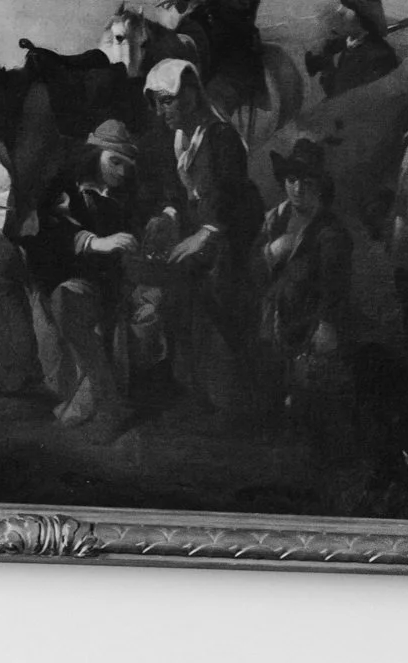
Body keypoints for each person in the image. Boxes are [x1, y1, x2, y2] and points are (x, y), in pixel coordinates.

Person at [141, 57, 265, 425]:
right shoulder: (176, 137)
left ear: (192, 94)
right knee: (167, 283)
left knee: (217, 296)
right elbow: (177, 192)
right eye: (157, 102)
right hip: (201, 232)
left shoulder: (221, 136)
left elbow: (228, 197)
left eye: (168, 100)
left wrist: (206, 234)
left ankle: (232, 398)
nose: (162, 110)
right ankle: (185, 383)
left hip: (234, 235)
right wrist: (168, 214)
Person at [21, 120, 146, 441]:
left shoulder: (123, 202)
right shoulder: (72, 192)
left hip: (109, 286)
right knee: (62, 300)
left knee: (69, 302)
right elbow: (48, 230)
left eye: (126, 165)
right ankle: (108, 404)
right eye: (114, 161)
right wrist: (93, 242)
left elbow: (129, 254)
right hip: (74, 280)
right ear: (94, 156)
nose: (120, 171)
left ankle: (110, 406)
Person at [257, 132, 355, 433]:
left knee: (312, 402)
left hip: (309, 324)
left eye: (307, 183)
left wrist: (326, 323)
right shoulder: (274, 219)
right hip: (273, 322)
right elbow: (250, 270)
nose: (298, 189)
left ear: (320, 187)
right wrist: (269, 253)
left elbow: (334, 287)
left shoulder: (330, 233)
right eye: (292, 180)